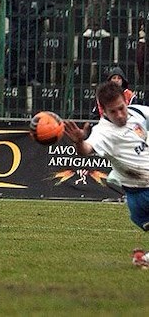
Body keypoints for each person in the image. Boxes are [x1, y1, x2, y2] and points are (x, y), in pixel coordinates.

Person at [63, 81, 149, 268]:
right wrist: (79, 141)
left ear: (126, 101)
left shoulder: (139, 113)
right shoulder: (103, 132)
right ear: (103, 111)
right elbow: (86, 149)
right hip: (139, 194)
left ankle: (143, 259)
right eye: (113, 112)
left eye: (121, 108)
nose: (119, 115)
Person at [5, 0, 54, 87]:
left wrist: (40, 16)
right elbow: (7, 6)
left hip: (33, 28)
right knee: (13, 52)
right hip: (17, 27)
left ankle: (31, 77)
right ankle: (8, 76)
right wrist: (14, 16)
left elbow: (51, 8)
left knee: (32, 53)